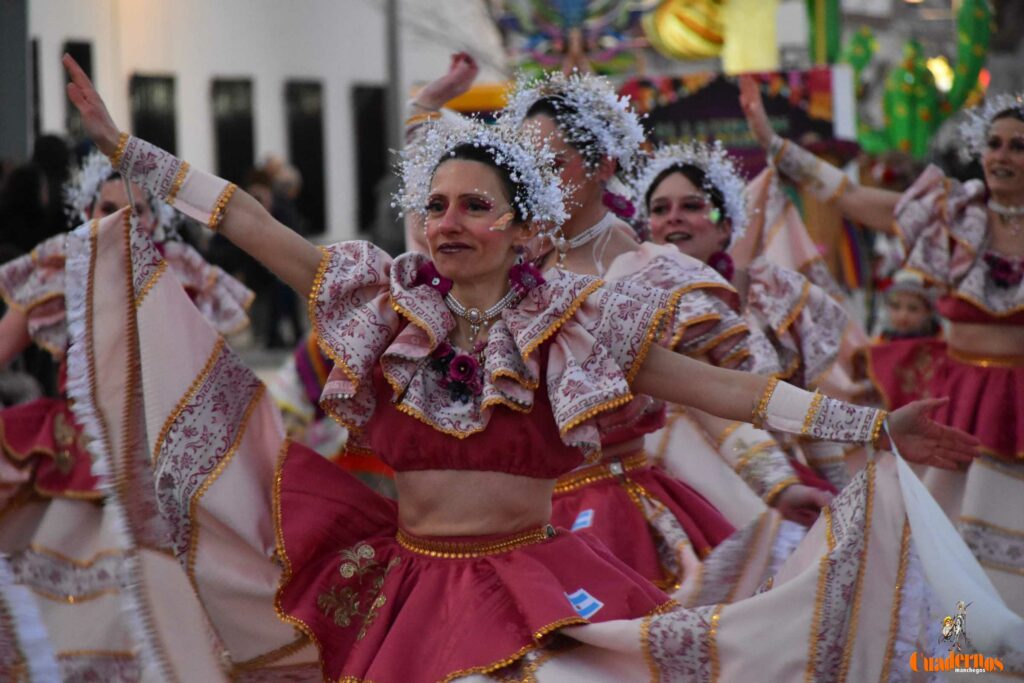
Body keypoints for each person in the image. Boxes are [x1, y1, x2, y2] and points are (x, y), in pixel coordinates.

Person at [59, 52, 1004, 682]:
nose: (447, 224)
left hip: (529, 585)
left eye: (475, 206)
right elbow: (255, 225)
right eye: (436, 205)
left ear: (522, 227)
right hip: (406, 586)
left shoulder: (570, 328)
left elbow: (726, 389)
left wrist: (873, 427)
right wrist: (132, 152)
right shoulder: (386, 306)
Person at [742, 78, 1024, 614]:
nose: (1001, 155)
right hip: (960, 401)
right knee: (947, 547)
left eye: (1017, 145)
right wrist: (776, 146)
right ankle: (959, 660)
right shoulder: (953, 216)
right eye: (994, 144)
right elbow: (851, 197)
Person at [0, 149, 251, 679]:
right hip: (75, 452)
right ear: (86, 213)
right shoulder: (60, 267)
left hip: (155, 459)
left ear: (152, 221)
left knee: (154, 610)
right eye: (104, 208)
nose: (115, 221)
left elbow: (208, 371)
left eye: (131, 210)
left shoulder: (178, 275)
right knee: (68, 612)